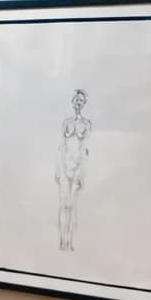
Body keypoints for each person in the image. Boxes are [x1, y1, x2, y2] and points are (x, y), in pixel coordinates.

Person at [55, 88, 91, 252]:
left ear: (84, 104)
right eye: (76, 100)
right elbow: (61, 146)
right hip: (64, 167)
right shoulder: (66, 122)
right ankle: (62, 242)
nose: (78, 103)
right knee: (64, 205)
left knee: (72, 206)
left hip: (76, 169)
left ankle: (69, 242)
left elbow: (85, 150)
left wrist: (82, 173)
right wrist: (57, 168)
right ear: (72, 101)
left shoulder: (86, 124)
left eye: (81, 101)